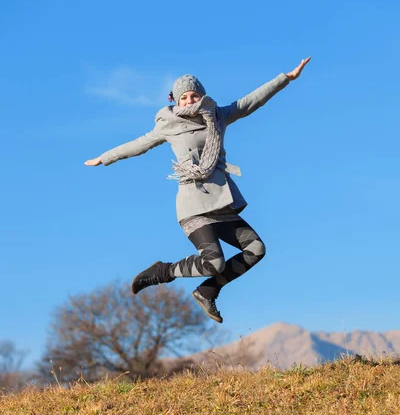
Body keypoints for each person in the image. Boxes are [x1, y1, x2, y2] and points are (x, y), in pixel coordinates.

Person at [85, 57, 311, 323]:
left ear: (202, 96)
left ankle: (208, 291)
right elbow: (138, 144)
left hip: (221, 202)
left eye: (194, 96)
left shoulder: (218, 116)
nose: (190, 101)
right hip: (193, 205)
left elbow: (250, 102)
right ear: (176, 101)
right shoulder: (168, 125)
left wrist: (285, 78)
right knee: (213, 262)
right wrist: (105, 157)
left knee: (255, 249)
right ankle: (162, 271)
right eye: (184, 98)